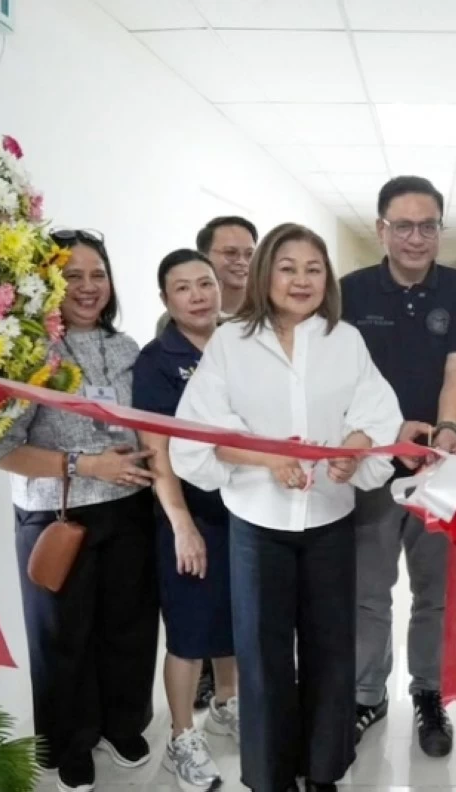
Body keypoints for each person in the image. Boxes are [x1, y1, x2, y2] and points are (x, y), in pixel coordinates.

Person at [170, 223, 403, 792]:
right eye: (288, 267)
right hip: (259, 525)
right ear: (263, 273)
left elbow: (376, 415)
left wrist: (354, 450)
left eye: (314, 269)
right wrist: (267, 460)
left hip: (328, 520)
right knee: (263, 655)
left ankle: (324, 770)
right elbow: (199, 434)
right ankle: (271, 775)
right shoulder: (231, 343)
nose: (301, 280)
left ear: (328, 279)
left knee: (330, 650)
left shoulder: (344, 339)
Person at [0, 229, 159, 792]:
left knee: (128, 630)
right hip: (57, 518)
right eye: (72, 275)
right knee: (62, 638)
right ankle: (71, 743)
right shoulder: (25, 353)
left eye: (97, 274)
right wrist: (86, 465)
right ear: (48, 283)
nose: (87, 287)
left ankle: (123, 724)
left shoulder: (128, 348)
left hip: (129, 510)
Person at [340, 176, 456, 757]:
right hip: (374, 471)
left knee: (439, 593)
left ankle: (429, 694)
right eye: (403, 225)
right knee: (368, 591)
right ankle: (366, 694)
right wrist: (381, 441)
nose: (416, 237)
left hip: (442, 472)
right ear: (381, 229)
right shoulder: (349, 293)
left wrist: (446, 430)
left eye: (428, 225)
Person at [132, 250, 232, 791]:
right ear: (166, 300)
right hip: (190, 514)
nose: (198, 296)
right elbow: (157, 452)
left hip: (240, 508)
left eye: (205, 283)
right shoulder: (156, 361)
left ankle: (227, 705)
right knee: (190, 631)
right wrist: (182, 525)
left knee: (233, 621)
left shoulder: (239, 344)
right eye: (183, 288)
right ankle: (181, 737)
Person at [190, 215, 255, 716]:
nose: (239, 261)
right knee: (208, 585)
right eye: (228, 252)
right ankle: (212, 677)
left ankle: (246, 675)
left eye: (247, 251)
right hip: (203, 481)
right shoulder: (181, 326)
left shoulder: (265, 317)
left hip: (257, 476)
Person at [197, 215, 258, 320]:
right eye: (230, 252)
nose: (242, 262)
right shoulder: (182, 318)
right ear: (204, 257)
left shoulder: (272, 316)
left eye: (250, 254)